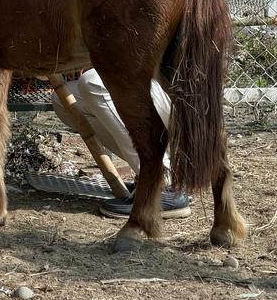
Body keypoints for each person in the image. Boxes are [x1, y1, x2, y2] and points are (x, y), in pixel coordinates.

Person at [52, 69, 191, 219]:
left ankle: (162, 183)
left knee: (93, 82)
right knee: (64, 99)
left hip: (182, 97)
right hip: (151, 85)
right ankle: (155, 170)